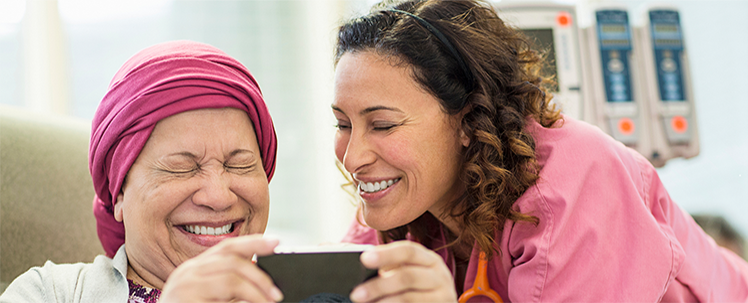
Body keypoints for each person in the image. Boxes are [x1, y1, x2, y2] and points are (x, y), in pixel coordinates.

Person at [331, 0, 748, 302]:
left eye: (382, 125)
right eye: (343, 125)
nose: (353, 158)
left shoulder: (575, 179)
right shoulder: (402, 204)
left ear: (467, 119)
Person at [0, 41, 284, 303]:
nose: (218, 196)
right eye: (181, 169)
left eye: (240, 165)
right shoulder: (49, 292)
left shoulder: (308, 293)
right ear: (120, 193)